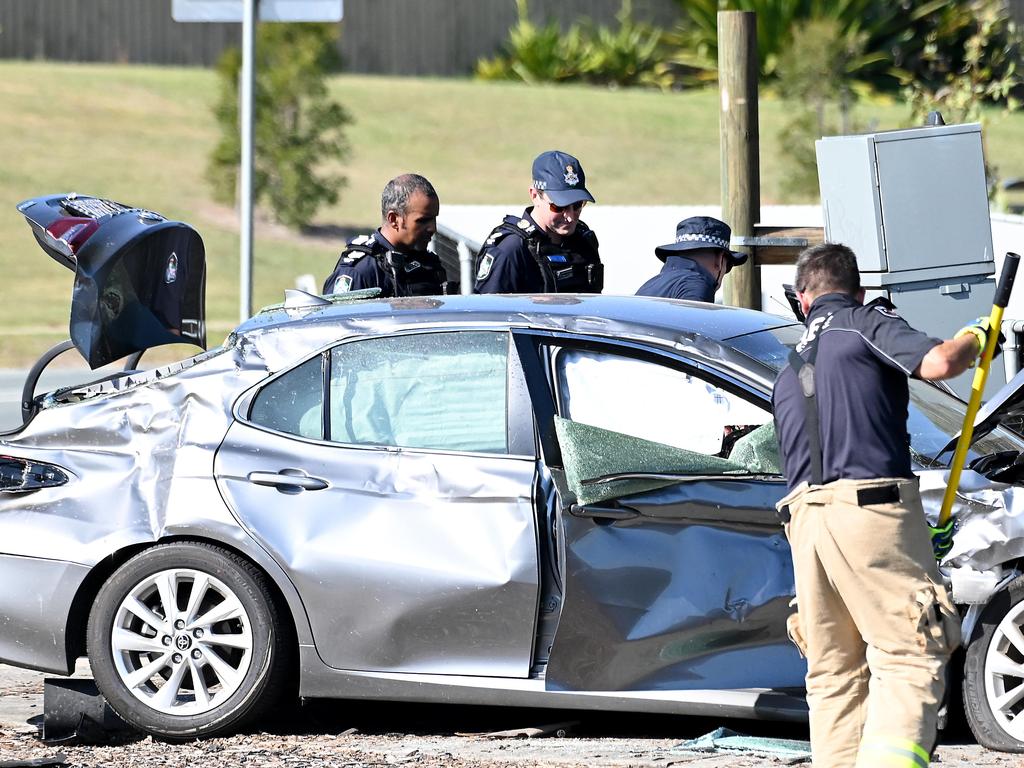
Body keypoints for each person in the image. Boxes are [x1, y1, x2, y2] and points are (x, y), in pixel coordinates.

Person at [772, 242, 993, 768]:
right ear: (859, 290)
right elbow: (939, 362)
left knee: (833, 671)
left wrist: (907, 534)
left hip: (805, 521)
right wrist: (977, 337)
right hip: (870, 505)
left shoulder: (789, 369)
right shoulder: (863, 324)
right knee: (911, 650)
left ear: (803, 299)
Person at [474, 150, 602, 294]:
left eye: (578, 205)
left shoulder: (583, 241)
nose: (570, 216)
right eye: (559, 206)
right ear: (535, 195)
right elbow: (489, 313)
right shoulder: (510, 250)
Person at [323, 174, 448, 297]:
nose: (433, 228)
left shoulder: (428, 264)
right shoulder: (360, 272)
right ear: (394, 219)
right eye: (422, 221)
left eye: (433, 219)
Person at [635, 216, 747, 302]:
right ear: (720, 259)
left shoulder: (647, 287)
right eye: (728, 266)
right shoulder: (696, 285)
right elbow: (695, 331)